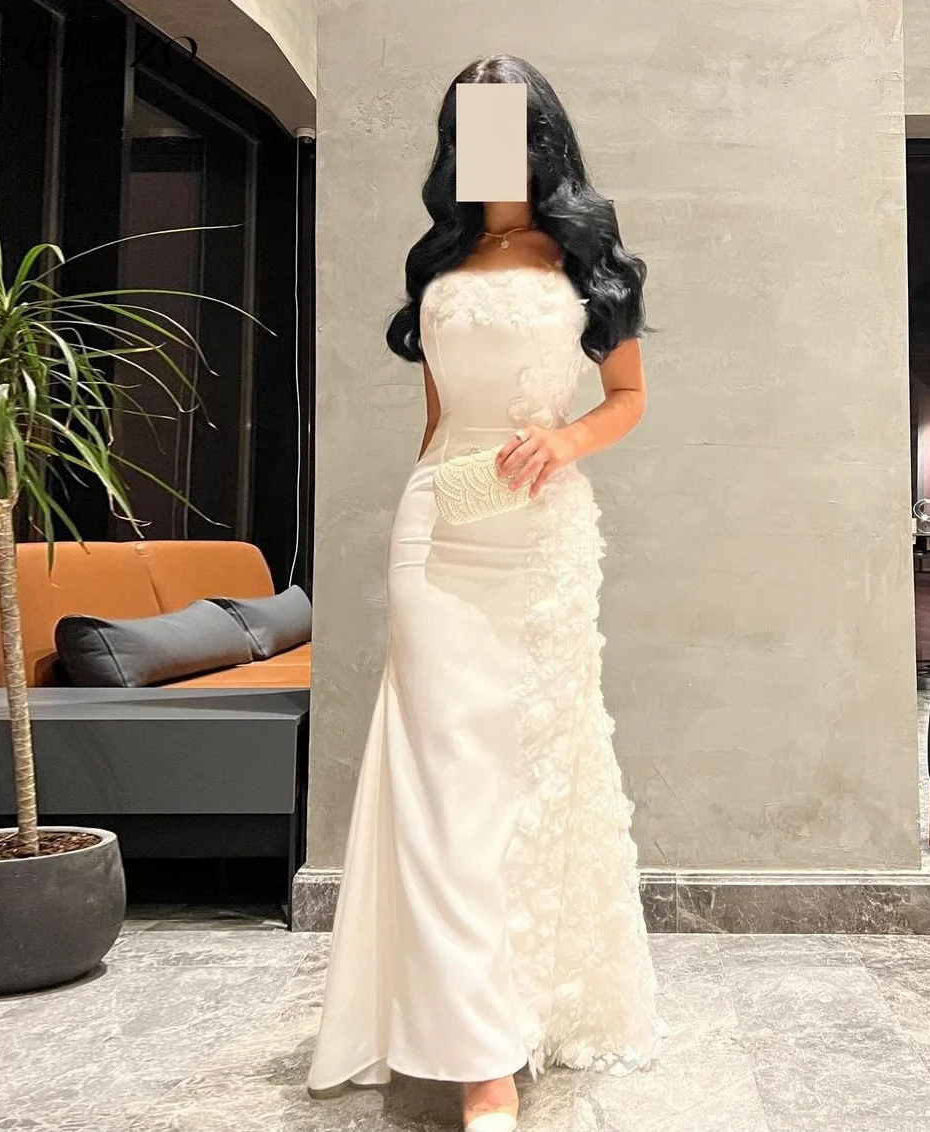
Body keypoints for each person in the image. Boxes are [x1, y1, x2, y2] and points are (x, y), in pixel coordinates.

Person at [306, 53, 666, 1132]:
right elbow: (434, 422)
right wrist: (427, 506)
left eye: (509, 129)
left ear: (541, 139)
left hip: (539, 531)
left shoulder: (586, 254)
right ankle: (478, 1064)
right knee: (442, 786)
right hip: (440, 522)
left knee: (525, 782)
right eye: (471, 130)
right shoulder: (440, 257)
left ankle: (510, 1008)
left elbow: (628, 398)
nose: (489, 150)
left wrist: (563, 440)